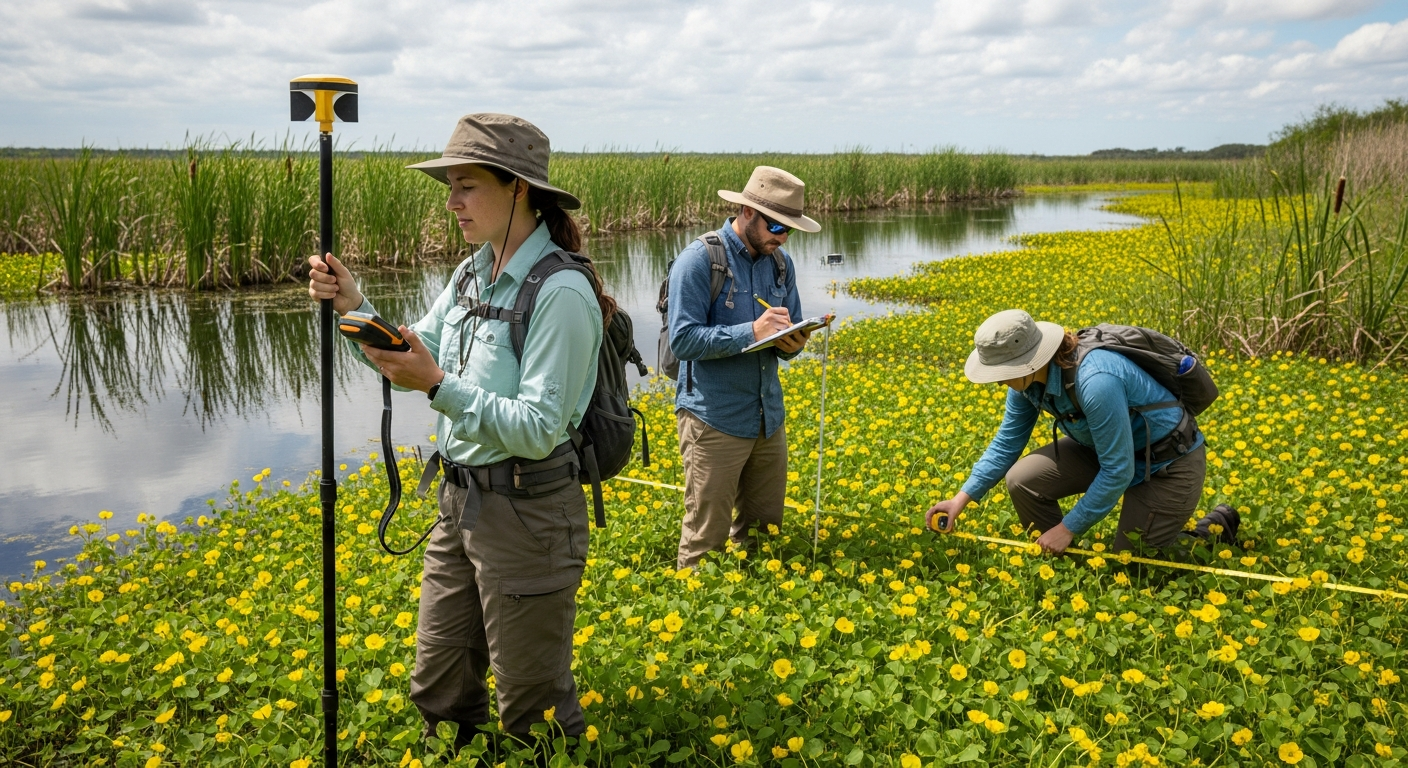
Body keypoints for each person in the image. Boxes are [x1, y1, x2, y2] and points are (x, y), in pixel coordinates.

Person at [307, 114, 609, 748]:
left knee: (532, 701)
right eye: (449, 188)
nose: (452, 203)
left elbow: (536, 428)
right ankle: (456, 751)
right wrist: (354, 306)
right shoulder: (473, 271)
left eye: (466, 186)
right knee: (439, 677)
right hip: (459, 501)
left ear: (517, 188)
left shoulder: (562, 293)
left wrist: (437, 385)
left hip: (530, 513)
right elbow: (415, 354)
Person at [925, 309, 1238, 554]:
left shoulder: (1096, 380)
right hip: (1102, 452)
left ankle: (1211, 531)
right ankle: (1065, 564)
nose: (997, 381)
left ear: (1030, 361)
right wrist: (960, 500)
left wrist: (1068, 527)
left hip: (1166, 464)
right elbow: (1007, 442)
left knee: (1133, 566)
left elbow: (1118, 470)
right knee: (1022, 480)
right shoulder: (1023, 384)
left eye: (1001, 373)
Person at [667, 166, 825, 571]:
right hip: (712, 419)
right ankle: (694, 616)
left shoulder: (781, 264)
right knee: (706, 539)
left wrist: (793, 345)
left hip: (767, 419)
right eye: (775, 225)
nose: (781, 237)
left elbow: (786, 340)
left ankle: (754, 608)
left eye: (789, 229)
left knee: (764, 533)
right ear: (745, 211)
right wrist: (749, 332)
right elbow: (682, 340)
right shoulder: (700, 260)